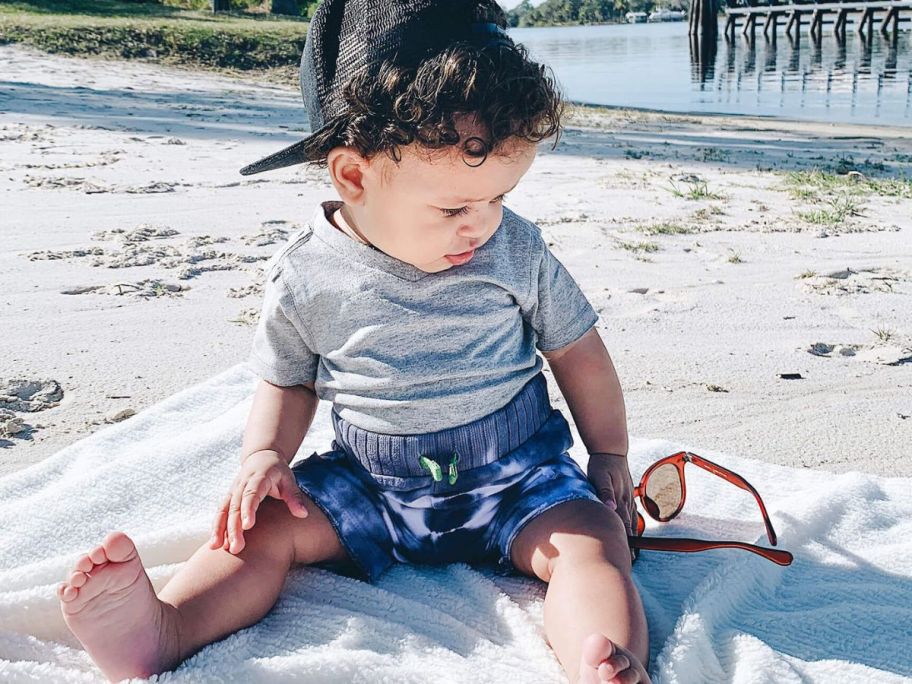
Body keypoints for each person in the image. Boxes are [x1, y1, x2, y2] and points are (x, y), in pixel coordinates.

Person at [57, 1, 651, 681]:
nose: (482, 225)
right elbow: (291, 378)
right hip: (372, 485)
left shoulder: (515, 248)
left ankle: (603, 659)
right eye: (455, 207)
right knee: (261, 530)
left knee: (594, 542)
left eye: (500, 197)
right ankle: (165, 628)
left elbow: (578, 351)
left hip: (518, 478)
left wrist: (608, 451)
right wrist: (264, 456)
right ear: (354, 176)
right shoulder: (309, 273)